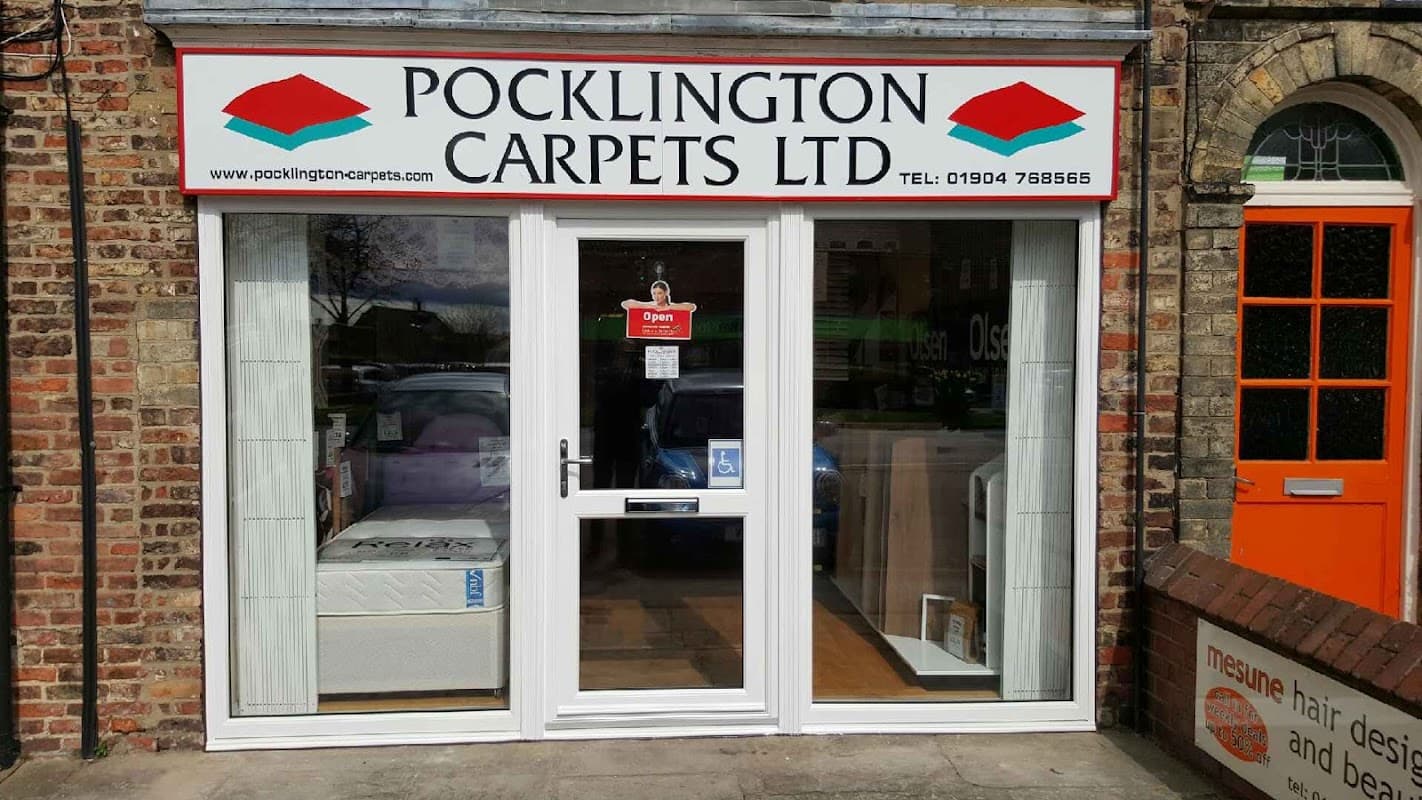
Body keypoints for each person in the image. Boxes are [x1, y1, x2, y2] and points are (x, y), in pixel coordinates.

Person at [621, 280, 697, 312]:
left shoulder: (672, 306)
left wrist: (668, 308)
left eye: (659, 293)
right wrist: (649, 307)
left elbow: (692, 307)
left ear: (666, 293)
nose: (656, 296)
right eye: (654, 293)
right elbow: (625, 304)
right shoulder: (650, 305)